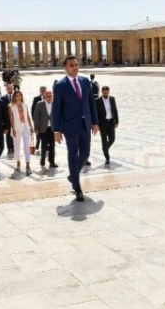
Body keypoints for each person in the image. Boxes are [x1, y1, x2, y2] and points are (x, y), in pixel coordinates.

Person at [52, 55, 99, 201]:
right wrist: (57, 130)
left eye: (77, 64)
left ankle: (73, 175)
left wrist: (95, 122)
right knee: (73, 154)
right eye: (71, 65)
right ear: (65, 68)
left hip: (85, 124)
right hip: (70, 126)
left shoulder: (85, 82)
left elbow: (91, 103)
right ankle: (77, 188)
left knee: (85, 153)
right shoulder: (60, 85)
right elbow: (56, 109)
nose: (75, 67)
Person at [8, 90, 34, 175]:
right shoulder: (11, 106)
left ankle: (28, 165)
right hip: (17, 128)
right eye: (17, 96)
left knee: (26, 146)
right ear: (14, 97)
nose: (18, 97)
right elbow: (11, 118)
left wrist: (31, 126)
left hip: (25, 127)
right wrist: (13, 128)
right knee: (17, 146)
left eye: (20, 95)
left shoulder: (25, 105)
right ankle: (18, 162)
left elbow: (28, 116)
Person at [95, 85, 119, 165]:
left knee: (112, 139)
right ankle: (107, 158)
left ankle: (105, 148)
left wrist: (117, 121)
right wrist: (96, 124)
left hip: (111, 122)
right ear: (102, 92)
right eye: (105, 92)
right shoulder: (97, 101)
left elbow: (115, 110)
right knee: (104, 141)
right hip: (102, 124)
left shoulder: (112, 99)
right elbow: (96, 114)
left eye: (107, 92)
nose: (106, 94)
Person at [33, 90, 57, 169]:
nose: (50, 97)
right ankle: (42, 160)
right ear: (45, 97)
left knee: (52, 146)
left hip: (52, 128)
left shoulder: (55, 104)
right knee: (43, 145)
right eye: (48, 96)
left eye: (51, 96)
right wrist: (36, 128)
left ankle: (52, 161)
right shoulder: (39, 104)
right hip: (43, 128)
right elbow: (36, 117)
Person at [1, 84, 15, 154]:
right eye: (8, 88)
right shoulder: (3, 98)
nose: (10, 90)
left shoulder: (16, 97)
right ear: (6, 89)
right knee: (8, 134)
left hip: (15, 119)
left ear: (13, 89)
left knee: (15, 133)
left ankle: (14, 147)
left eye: (11, 88)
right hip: (7, 119)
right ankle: (9, 147)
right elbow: (2, 110)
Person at [31, 86, 46, 151]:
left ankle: (45, 145)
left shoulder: (48, 98)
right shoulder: (36, 98)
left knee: (45, 132)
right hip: (38, 119)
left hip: (45, 119)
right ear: (40, 91)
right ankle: (37, 143)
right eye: (42, 90)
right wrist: (33, 118)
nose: (43, 91)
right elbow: (33, 109)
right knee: (38, 132)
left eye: (44, 90)